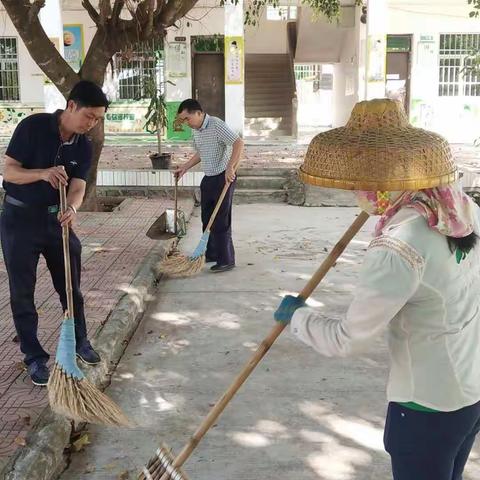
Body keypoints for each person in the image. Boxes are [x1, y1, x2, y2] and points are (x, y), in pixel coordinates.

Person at [275, 184, 480, 480]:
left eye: (360, 183)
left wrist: (299, 318)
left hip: (426, 405)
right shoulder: (462, 208)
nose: (356, 193)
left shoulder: (400, 245)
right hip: (470, 389)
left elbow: (348, 339)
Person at [1, 80, 109, 386]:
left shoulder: (83, 145)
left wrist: (72, 209)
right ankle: (34, 357)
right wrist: (42, 173)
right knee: (22, 293)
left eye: (98, 119)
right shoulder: (33, 126)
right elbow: (9, 171)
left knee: (71, 288)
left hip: (57, 223)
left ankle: (80, 341)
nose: (92, 124)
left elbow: (78, 186)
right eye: (90, 116)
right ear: (72, 106)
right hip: (19, 220)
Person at [174, 99, 244, 272]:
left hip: (224, 177)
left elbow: (238, 143)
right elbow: (201, 152)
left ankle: (226, 260)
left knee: (220, 220)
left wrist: (230, 168)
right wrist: (184, 167)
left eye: (187, 118)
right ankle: (211, 253)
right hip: (209, 177)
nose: (186, 123)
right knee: (207, 218)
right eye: (183, 120)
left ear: (199, 113)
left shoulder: (216, 124)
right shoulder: (196, 131)